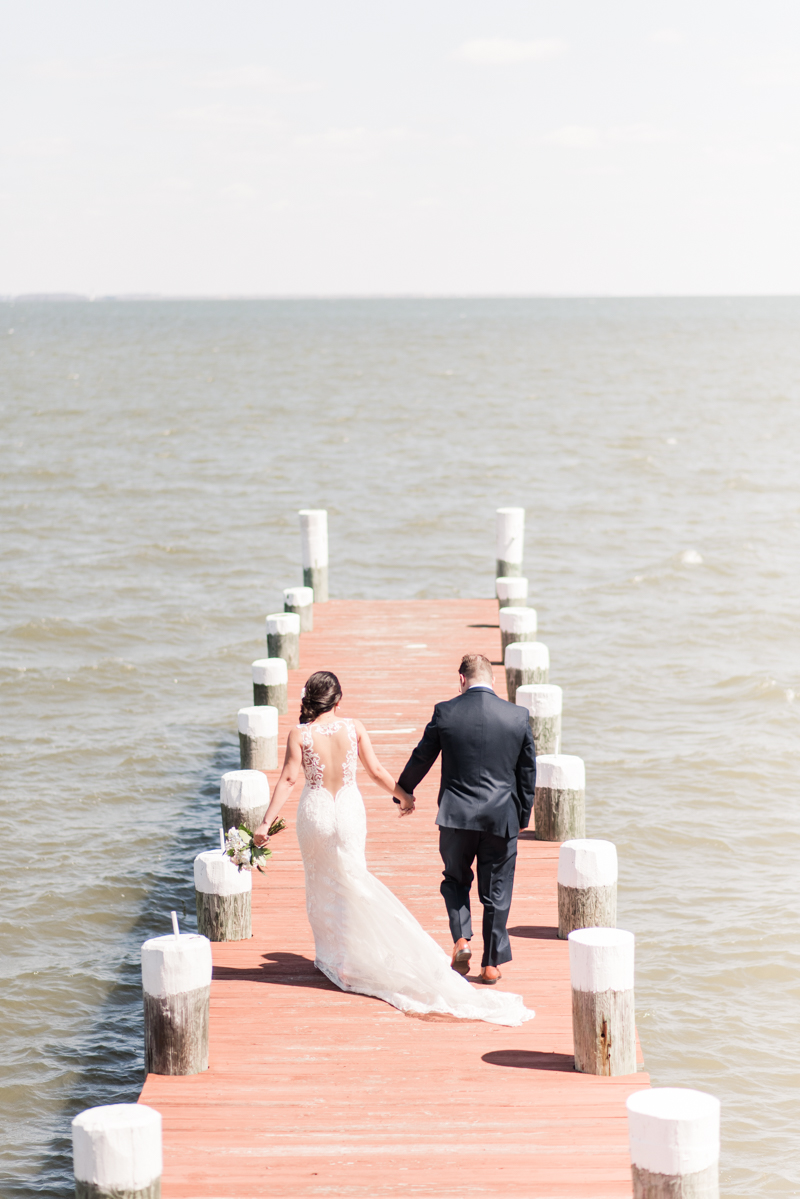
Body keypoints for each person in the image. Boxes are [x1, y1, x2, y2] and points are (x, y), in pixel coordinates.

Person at [253, 670, 533, 1026]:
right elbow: (376, 770)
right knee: (354, 881)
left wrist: (264, 825)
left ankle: (333, 957)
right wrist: (403, 796)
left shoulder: (300, 734)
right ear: (339, 700)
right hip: (350, 813)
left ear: (311, 699)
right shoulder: (353, 728)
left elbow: (290, 778)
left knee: (322, 882)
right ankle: (351, 958)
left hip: (317, 812)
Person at [397, 653, 536, 984]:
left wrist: (403, 792)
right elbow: (528, 770)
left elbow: (422, 756)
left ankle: (461, 940)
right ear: (493, 680)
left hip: (456, 816)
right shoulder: (517, 716)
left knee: (456, 880)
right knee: (496, 891)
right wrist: (522, 816)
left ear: (462, 679)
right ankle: (491, 964)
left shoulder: (446, 711)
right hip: (501, 817)